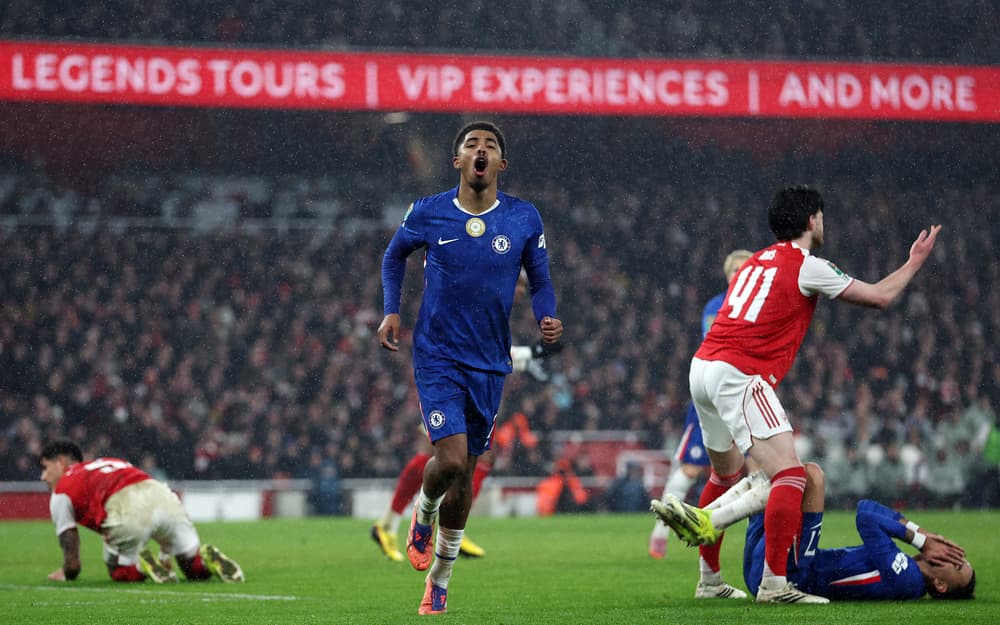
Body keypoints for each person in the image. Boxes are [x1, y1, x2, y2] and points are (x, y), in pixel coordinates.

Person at [681, 185, 941, 603]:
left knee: (724, 475)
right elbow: (879, 296)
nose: (823, 221)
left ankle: (710, 581)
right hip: (740, 373)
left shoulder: (753, 263)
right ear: (810, 221)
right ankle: (775, 584)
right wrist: (913, 263)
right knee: (791, 476)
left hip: (702, 366)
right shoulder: (805, 264)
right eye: (820, 214)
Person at [379, 120, 562, 615]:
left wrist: (547, 316)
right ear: (457, 161)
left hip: (489, 361)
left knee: (468, 474)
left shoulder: (523, 218)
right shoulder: (430, 212)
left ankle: (440, 578)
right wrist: (392, 309)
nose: (480, 150)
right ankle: (423, 511)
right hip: (437, 354)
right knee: (453, 460)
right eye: (471, 145)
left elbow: (540, 281)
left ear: (501, 164)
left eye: (490, 146)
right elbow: (394, 256)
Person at [653, 464, 975, 601]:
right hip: (770, 566)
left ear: (942, 585)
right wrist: (919, 533)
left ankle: (708, 524)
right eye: (958, 552)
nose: (951, 551)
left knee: (811, 477)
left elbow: (865, 516)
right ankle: (706, 520)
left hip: (795, 573)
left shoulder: (908, 580)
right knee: (773, 474)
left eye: (956, 561)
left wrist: (920, 538)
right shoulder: (905, 569)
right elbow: (867, 507)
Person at [370, 339, 557, 562]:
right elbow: (482, 347)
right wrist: (530, 354)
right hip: (447, 385)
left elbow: (490, 347)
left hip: (465, 388)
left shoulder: (487, 315)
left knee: (477, 456)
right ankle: (395, 524)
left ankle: (416, 524)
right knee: (440, 457)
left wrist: (527, 358)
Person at [648, 248, 752, 559]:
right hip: (715, 394)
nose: (740, 276)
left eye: (745, 270)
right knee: (693, 468)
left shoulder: (761, 304)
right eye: (735, 271)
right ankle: (660, 532)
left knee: (758, 469)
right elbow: (718, 343)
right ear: (727, 276)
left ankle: (759, 546)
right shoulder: (717, 306)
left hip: (745, 394)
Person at [38, 440, 244, 584]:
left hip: (126, 505)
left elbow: (72, 560)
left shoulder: (62, 490)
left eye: (46, 468)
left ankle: (141, 565)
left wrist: (67, 572)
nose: (43, 476)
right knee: (193, 568)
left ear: (62, 462)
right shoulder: (108, 461)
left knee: (118, 570)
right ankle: (207, 561)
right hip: (162, 494)